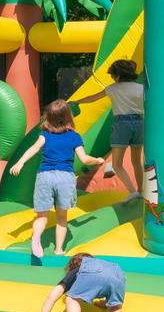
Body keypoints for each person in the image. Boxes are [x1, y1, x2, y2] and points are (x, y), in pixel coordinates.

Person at [10, 100, 104, 258]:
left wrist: (20, 162)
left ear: (48, 117)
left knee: (42, 216)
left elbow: (34, 148)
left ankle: (36, 237)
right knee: (61, 218)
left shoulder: (45, 135)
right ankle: (59, 250)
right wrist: (97, 160)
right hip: (65, 178)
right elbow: (84, 159)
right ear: (68, 117)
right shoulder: (74, 137)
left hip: (45, 176)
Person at [68, 60, 143, 204]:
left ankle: (133, 191)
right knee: (136, 161)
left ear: (118, 75)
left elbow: (93, 98)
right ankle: (140, 190)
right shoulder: (140, 88)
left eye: (113, 76)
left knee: (116, 164)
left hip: (122, 124)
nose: (113, 79)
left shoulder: (113, 88)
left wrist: (78, 101)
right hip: (139, 123)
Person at [36, 252, 129, 312]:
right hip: (119, 275)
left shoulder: (80, 268)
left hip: (95, 273)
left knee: (71, 299)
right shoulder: (102, 265)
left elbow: (52, 296)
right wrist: (104, 303)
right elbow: (105, 282)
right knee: (115, 307)